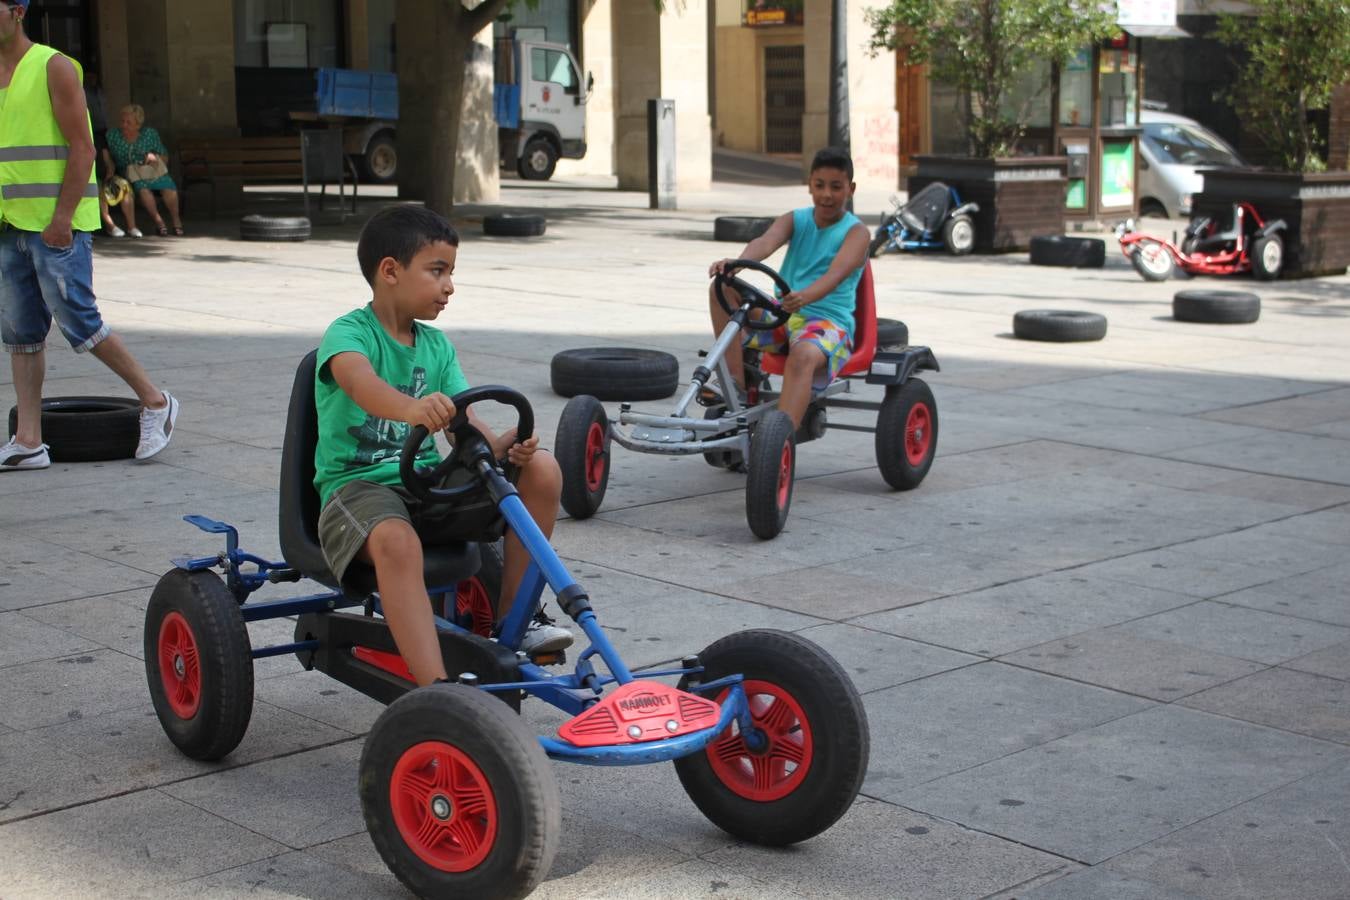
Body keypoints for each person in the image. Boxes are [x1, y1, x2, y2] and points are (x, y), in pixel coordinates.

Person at [314, 204, 572, 685]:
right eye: (438, 271)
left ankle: (517, 623)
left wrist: (503, 446)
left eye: (451, 272)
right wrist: (410, 409)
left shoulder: (437, 347)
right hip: (357, 489)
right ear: (390, 271)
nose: (449, 286)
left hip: (425, 486)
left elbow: (464, 424)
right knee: (396, 540)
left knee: (541, 469)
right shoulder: (350, 333)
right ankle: (438, 690)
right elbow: (359, 383)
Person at [0, 0, 180, 471]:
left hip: (56, 226)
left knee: (79, 321)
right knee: (20, 335)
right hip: (9, 225)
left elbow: (83, 148)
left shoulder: (53, 66)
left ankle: (156, 401)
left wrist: (62, 219)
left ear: (17, 11)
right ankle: (29, 441)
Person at [707, 146, 870, 429]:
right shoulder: (797, 219)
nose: (827, 195)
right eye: (819, 186)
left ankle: (780, 438)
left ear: (850, 189)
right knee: (721, 288)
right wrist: (737, 263)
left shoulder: (856, 233)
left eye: (836, 187)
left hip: (827, 323)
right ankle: (735, 384)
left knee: (802, 356)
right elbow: (766, 242)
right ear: (810, 185)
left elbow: (835, 274)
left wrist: (803, 298)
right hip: (784, 316)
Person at [106, 102, 183, 236]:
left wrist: (154, 156)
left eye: (128, 122)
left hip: (149, 170)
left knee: (167, 184)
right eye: (122, 121)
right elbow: (104, 152)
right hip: (127, 174)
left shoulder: (149, 134)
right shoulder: (113, 135)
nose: (124, 125)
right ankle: (159, 222)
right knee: (142, 187)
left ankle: (176, 220)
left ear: (138, 124)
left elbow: (164, 156)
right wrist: (110, 168)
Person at [83, 67, 139, 238]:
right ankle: (109, 225)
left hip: (102, 173)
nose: (93, 79)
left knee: (124, 186)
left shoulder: (101, 137)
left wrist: (109, 169)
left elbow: (107, 159)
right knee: (96, 188)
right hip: (89, 177)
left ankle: (132, 227)